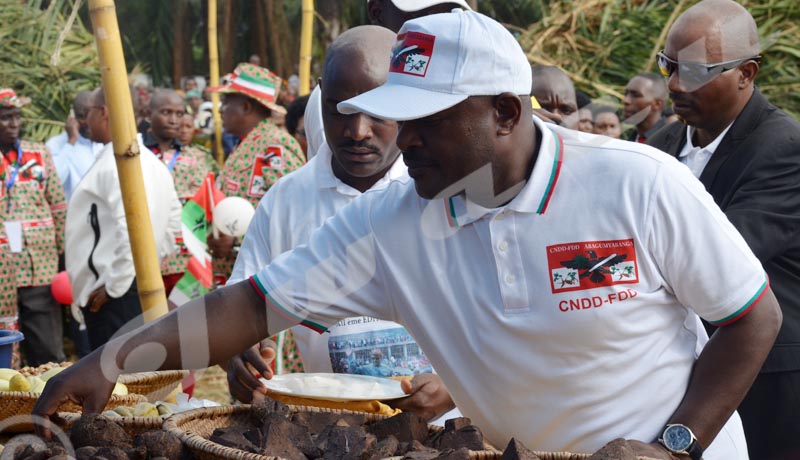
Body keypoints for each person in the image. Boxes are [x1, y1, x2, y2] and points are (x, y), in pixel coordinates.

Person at [34, 12, 780, 460]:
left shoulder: (638, 184)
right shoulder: (387, 222)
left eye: (426, 121)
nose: (401, 139)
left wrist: (672, 446)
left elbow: (752, 317)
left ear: (505, 114)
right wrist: (108, 364)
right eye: (399, 116)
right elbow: (251, 307)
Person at [225, 26, 456, 422]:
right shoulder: (286, 200)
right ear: (320, 95)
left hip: (443, 433)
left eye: (378, 110)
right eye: (340, 109)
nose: (357, 131)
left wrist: (454, 387)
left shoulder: (445, 189)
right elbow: (238, 310)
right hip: (328, 433)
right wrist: (237, 353)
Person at [646, 1, 800, 458]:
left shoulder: (783, 150)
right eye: (667, 66)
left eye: (693, 71)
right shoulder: (663, 145)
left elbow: (718, 259)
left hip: (767, 381)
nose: (673, 84)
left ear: (746, 73)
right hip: (685, 375)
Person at [64, 87, 181, 350]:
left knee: (117, 383)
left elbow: (130, 229)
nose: (85, 120)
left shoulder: (120, 162)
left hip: (112, 296)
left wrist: (115, 286)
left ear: (104, 113)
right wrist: (145, 270)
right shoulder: (151, 161)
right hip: (134, 284)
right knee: (133, 379)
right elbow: (173, 226)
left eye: (89, 112)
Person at [302, 0, 473, 160]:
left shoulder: (449, 90)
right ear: (377, 12)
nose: (436, 30)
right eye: (422, 17)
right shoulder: (335, 97)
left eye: (446, 15)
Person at [206, 63, 306, 285]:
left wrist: (235, 242)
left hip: (262, 283)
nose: (220, 110)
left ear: (245, 107)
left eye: (225, 103)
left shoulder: (275, 146)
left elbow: (294, 214)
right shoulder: (249, 143)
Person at [0, 88, 67, 366]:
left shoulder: (39, 153)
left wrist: (64, 253)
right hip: (3, 268)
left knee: (47, 348)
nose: (14, 124)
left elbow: (58, 205)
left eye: (17, 117)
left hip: (40, 263)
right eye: (6, 118)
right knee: (5, 350)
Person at [142, 90, 215, 296]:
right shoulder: (136, 155)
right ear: (149, 114)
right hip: (147, 258)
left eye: (179, 113)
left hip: (186, 260)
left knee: (187, 324)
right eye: (166, 112)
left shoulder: (195, 157)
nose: (174, 120)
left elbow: (204, 204)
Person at [46, 91, 103, 201]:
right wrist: (71, 142)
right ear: (73, 115)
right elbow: (54, 182)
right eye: (81, 116)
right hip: (75, 215)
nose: (86, 122)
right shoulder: (56, 144)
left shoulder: (104, 142)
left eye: (89, 114)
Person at [623, 73, 667, 143]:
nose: (625, 100)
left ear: (657, 104)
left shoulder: (672, 142)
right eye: (625, 94)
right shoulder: (629, 142)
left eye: (635, 95)